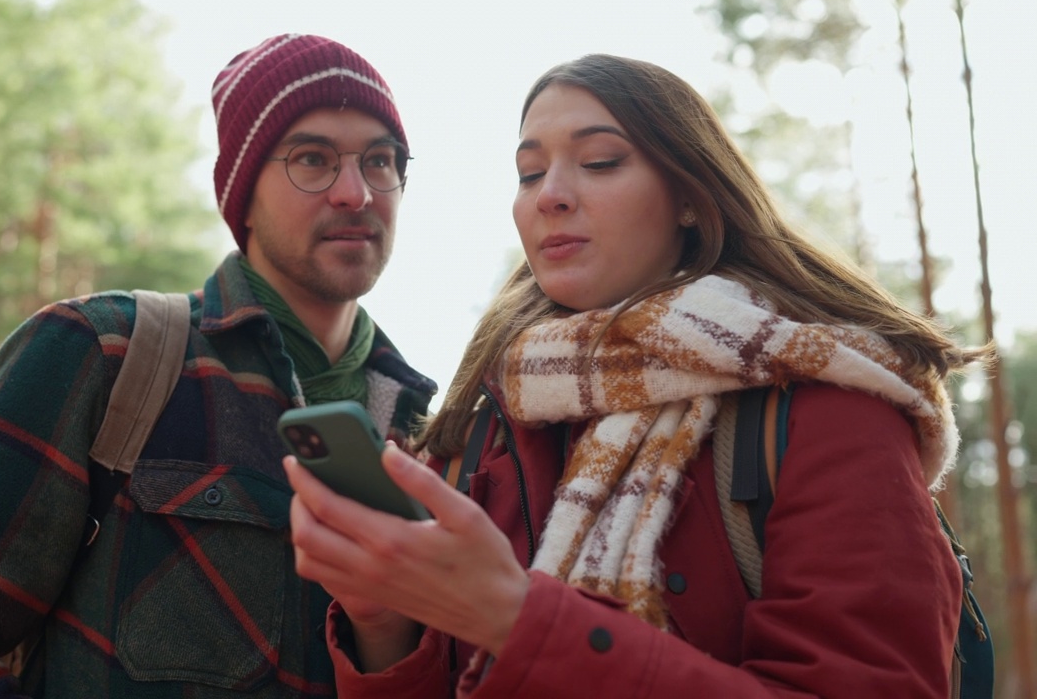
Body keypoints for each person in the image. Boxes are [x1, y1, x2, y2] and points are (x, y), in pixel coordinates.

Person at [284, 54, 984, 697]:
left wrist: (516, 617)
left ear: (689, 195)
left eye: (600, 161)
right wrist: (385, 625)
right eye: (530, 173)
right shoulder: (490, 418)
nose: (550, 194)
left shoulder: (826, 407)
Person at [0, 33, 436, 698]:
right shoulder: (106, 353)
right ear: (243, 198)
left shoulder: (434, 443)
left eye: (380, 160)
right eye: (312, 158)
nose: (356, 191)